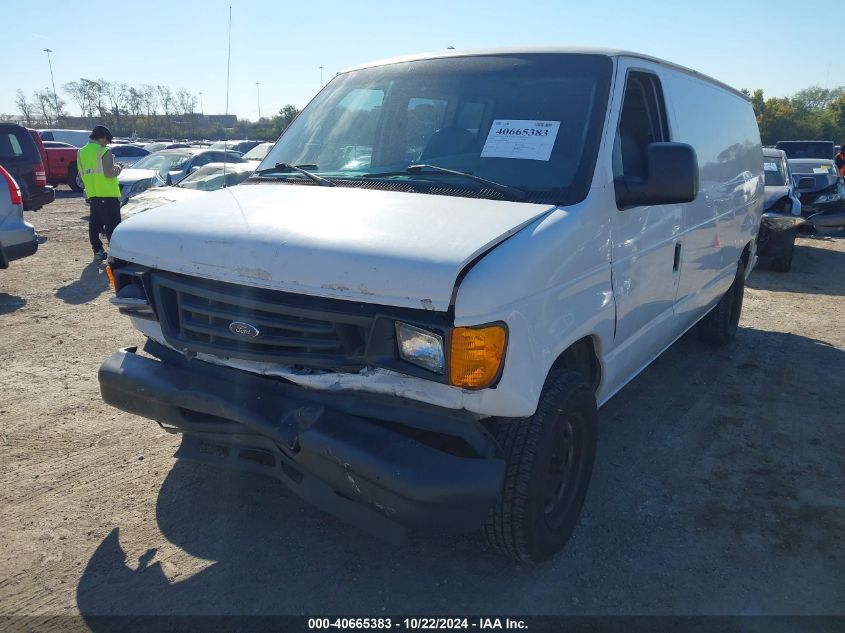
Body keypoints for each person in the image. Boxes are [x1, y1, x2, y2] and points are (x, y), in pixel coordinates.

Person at [77, 126, 122, 260]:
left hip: (93, 194)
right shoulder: (103, 151)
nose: (107, 143)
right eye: (107, 141)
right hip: (108, 194)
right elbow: (109, 174)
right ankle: (116, 253)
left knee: (94, 224)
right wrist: (119, 167)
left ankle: (97, 250)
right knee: (112, 225)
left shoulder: (80, 152)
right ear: (102, 138)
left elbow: (81, 173)